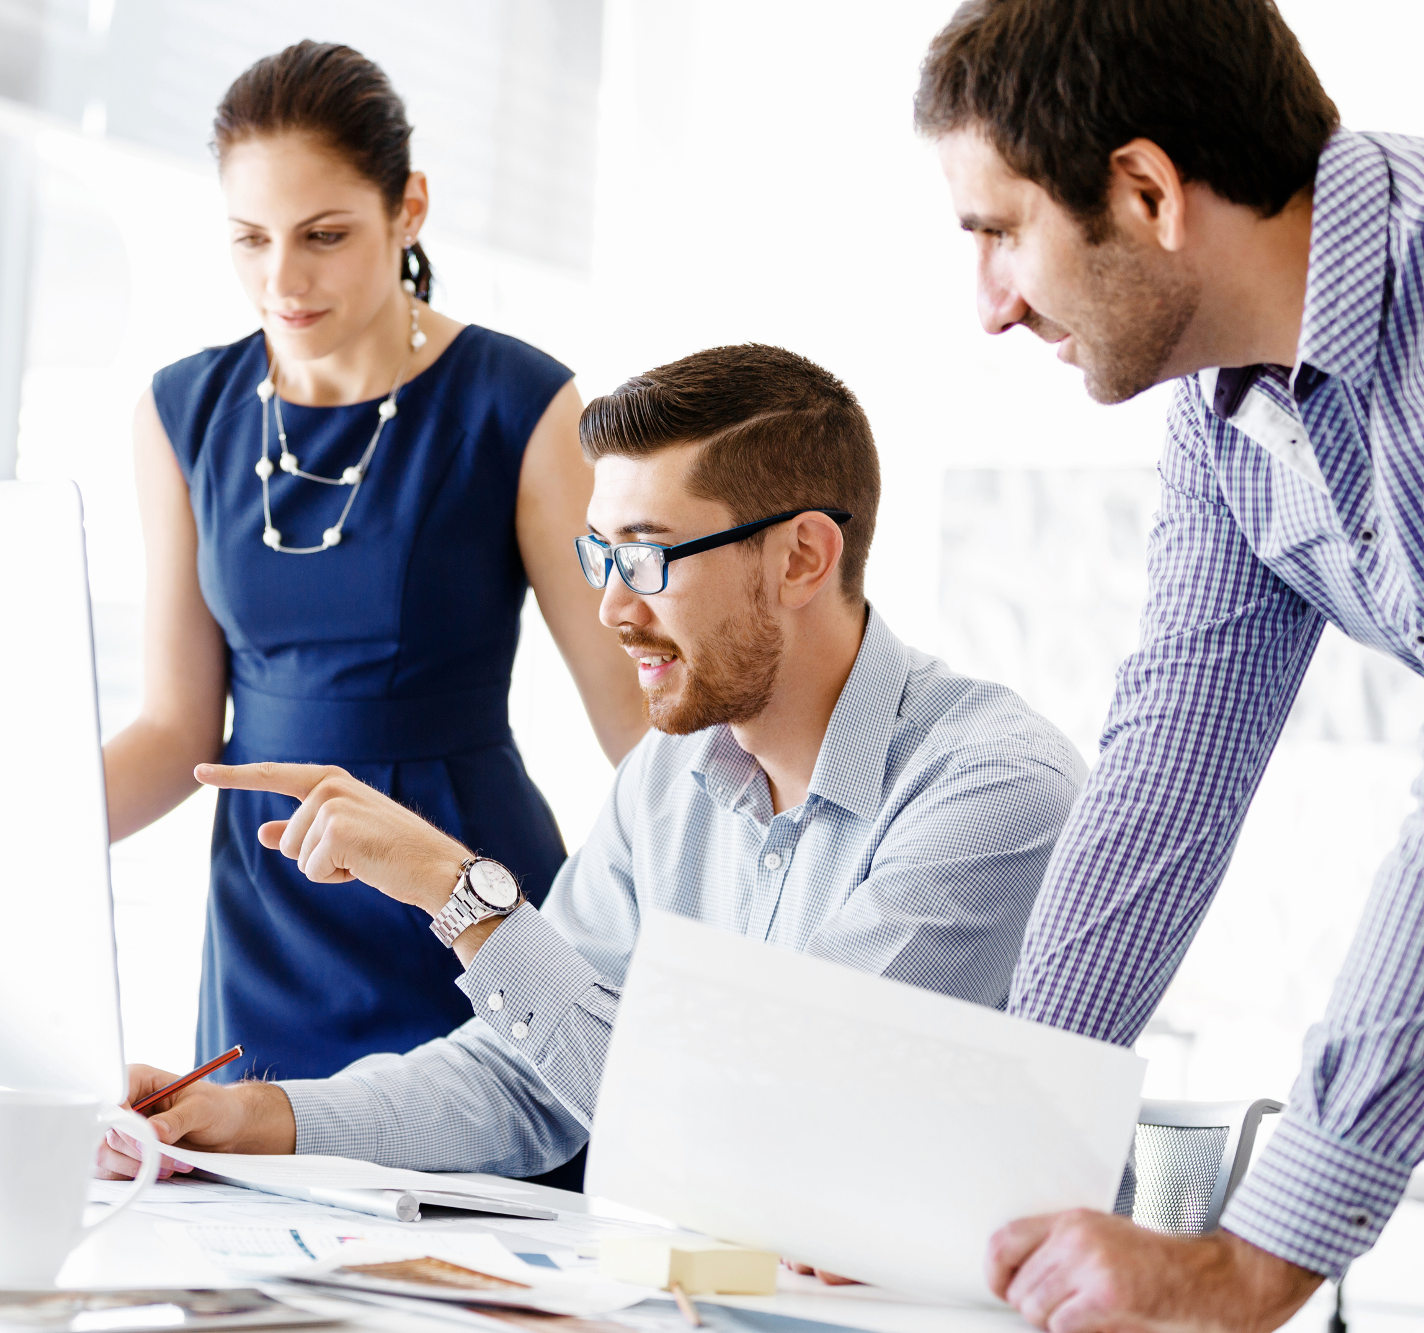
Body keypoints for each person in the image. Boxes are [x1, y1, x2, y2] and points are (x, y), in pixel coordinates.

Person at [96, 344, 1086, 1186]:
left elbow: (766, 1122)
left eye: (649, 557)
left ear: (800, 558)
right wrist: (256, 1118)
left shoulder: (993, 791)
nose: (613, 607)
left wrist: (461, 896)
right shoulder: (669, 776)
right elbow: (525, 1079)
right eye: (599, 556)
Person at [917, 1, 1424, 1327]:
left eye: (1001, 234)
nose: (989, 307)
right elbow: (1169, 775)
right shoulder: (1227, 403)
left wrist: (1250, 1263)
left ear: (1146, 191)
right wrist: (985, 1167)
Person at [103, 41, 644, 1086]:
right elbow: (176, 732)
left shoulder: (519, 405)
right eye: (249, 239)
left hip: (459, 899)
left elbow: (630, 718)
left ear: (409, 210)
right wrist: (5, 836)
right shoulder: (180, 414)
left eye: (323, 236)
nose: (281, 280)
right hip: (269, 911)